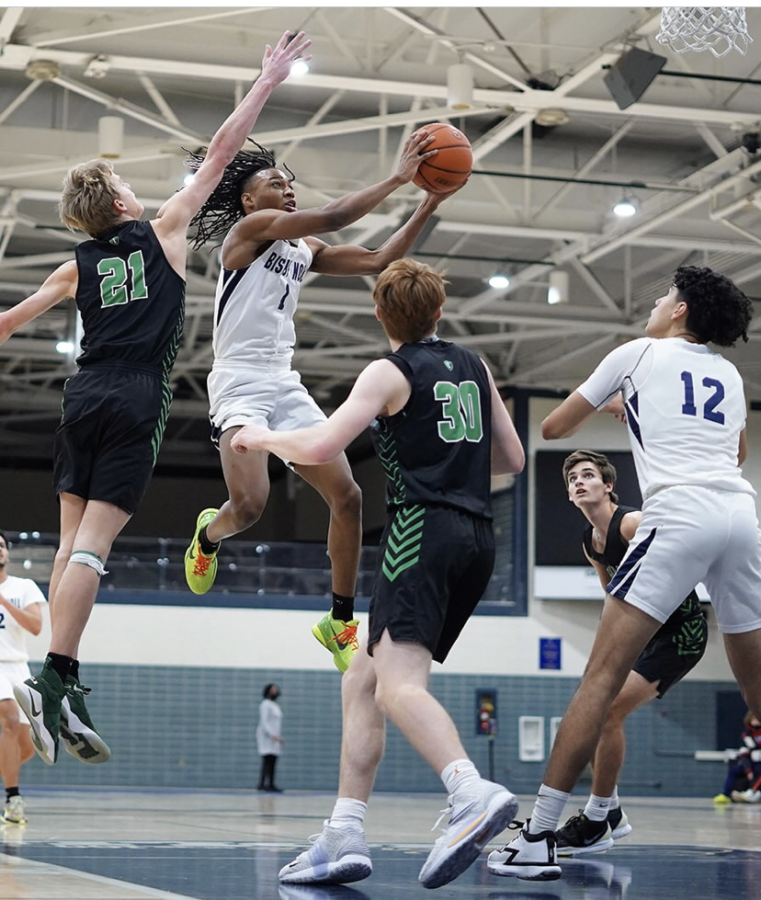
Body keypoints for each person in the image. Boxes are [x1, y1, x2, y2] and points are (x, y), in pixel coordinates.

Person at [0, 30, 312, 768]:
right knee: (95, 550)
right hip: (137, 395)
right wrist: (265, 79)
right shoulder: (164, 229)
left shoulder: (75, 268)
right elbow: (220, 150)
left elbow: (7, 322)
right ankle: (58, 677)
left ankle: (58, 674)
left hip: (83, 397)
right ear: (117, 200)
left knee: (73, 538)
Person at [231, 258, 525, 889]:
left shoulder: (389, 371)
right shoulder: (476, 365)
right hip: (478, 536)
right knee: (362, 678)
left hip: (421, 530)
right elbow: (513, 458)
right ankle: (344, 830)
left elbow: (316, 446)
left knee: (399, 687)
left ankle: (470, 793)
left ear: (379, 313)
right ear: (439, 309)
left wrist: (260, 436)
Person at [488, 265, 761, 882]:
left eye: (664, 296)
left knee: (599, 683)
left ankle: (538, 836)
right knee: (757, 700)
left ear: (681, 310)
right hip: (740, 515)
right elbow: (736, 452)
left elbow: (555, 427)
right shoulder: (729, 373)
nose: (655, 304)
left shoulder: (636, 353)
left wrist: (618, 398)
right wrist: (639, 409)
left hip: (679, 515)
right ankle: (598, 813)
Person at [181, 132, 458, 674]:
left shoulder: (301, 250)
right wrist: (400, 177)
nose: (287, 189)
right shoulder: (248, 232)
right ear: (247, 200)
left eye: (290, 183)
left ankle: (338, 619)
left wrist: (430, 201)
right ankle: (208, 536)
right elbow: (333, 217)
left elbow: (380, 258)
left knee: (349, 498)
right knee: (251, 507)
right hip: (238, 383)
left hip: (284, 384)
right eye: (274, 183)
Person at [554, 450, 708, 854]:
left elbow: (689, 544)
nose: (578, 482)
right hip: (643, 635)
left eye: (587, 475)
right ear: (570, 496)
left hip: (681, 632)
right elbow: (613, 600)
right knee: (591, 707)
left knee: (608, 711)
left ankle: (598, 818)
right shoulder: (591, 543)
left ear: (608, 486)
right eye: (572, 480)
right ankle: (612, 812)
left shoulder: (633, 524)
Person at [0, 532, 47, 824]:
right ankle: (14, 798)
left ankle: (10, 784)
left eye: (2, 546)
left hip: (18, 667)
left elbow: (35, 627)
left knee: (29, 742)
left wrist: (4, 602)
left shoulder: (23, 587)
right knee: (7, 715)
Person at [713, 710, 761, 804]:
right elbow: (744, 755)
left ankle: (752, 792)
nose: (757, 721)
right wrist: (748, 770)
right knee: (734, 770)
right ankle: (726, 794)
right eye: (754, 719)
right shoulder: (746, 735)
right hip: (751, 762)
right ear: (749, 720)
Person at [257, 682, 284, 792]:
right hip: (267, 736)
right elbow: (264, 721)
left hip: (274, 736)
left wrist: (277, 736)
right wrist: (271, 734)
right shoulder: (265, 704)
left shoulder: (275, 706)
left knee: (273, 760)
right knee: (267, 760)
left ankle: (271, 784)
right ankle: (262, 784)